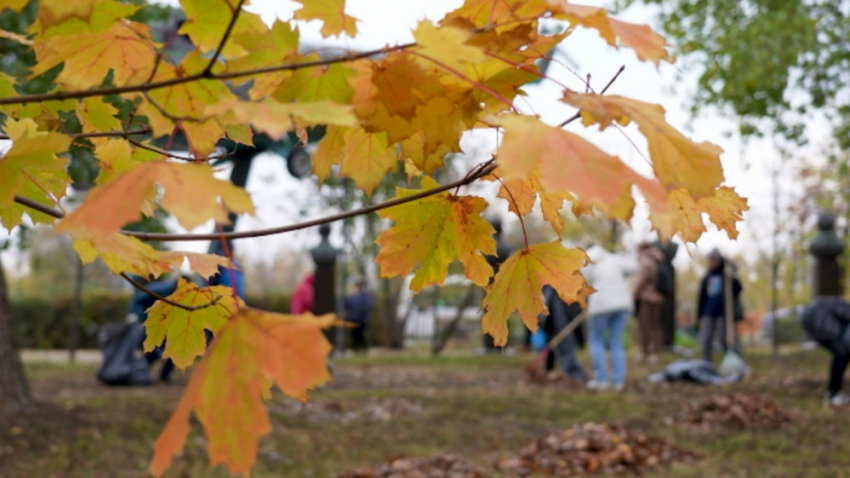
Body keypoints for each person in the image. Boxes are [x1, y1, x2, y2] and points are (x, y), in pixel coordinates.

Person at [582, 243, 637, 391]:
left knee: (596, 340)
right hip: (621, 304)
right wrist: (632, 252)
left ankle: (601, 380)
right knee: (616, 341)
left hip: (600, 305)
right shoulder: (613, 258)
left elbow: (582, 282)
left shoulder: (586, 261)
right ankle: (618, 381)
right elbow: (634, 267)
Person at [128, 275, 178, 383]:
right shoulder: (161, 290)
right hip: (147, 321)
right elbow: (137, 300)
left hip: (163, 323)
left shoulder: (176, 295)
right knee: (154, 348)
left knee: (173, 347)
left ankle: (164, 375)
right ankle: (141, 370)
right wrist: (135, 315)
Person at [801, 296, 850, 406]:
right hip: (818, 318)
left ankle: (832, 392)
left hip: (810, 316)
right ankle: (832, 393)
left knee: (842, 352)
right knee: (842, 352)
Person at [696, 249, 742, 363]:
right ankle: (705, 362)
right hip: (708, 312)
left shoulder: (726, 276)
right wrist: (699, 316)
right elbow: (701, 298)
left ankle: (729, 359)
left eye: (713, 259)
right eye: (709, 259)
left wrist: (732, 272)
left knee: (724, 338)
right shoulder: (707, 277)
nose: (711, 261)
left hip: (723, 313)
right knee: (706, 338)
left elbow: (738, 289)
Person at [538, 285, 587, 382]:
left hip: (561, 312)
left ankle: (574, 374)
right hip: (553, 313)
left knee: (564, 341)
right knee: (553, 337)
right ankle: (549, 368)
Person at [633, 241, 665, 363]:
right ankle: (652, 351)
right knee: (653, 325)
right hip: (655, 297)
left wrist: (634, 293)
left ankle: (648, 351)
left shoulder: (645, 260)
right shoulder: (655, 258)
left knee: (646, 325)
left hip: (647, 297)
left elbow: (642, 279)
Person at [344, 278, 373, 352]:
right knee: (354, 334)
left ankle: (362, 348)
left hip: (362, 319)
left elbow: (368, 306)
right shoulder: (352, 296)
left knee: (361, 334)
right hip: (353, 318)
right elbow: (347, 306)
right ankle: (356, 349)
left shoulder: (365, 296)